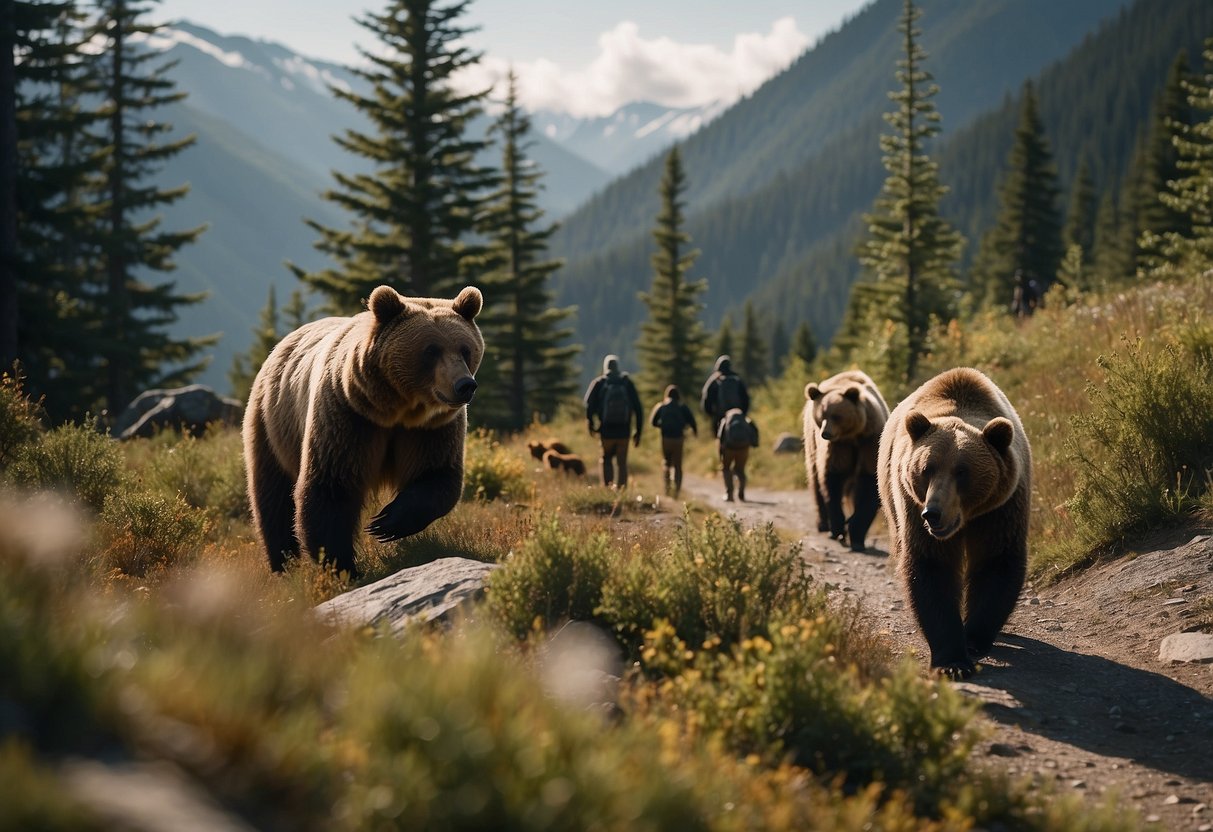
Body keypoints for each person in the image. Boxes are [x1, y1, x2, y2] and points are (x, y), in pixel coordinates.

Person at [583, 354, 643, 488]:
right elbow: (638, 408)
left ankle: (607, 489)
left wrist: (591, 424)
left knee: (606, 459)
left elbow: (588, 406)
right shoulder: (627, 383)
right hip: (624, 431)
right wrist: (638, 432)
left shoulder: (599, 383)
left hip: (606, 431)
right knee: (622, 463)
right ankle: (621, 493)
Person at [649, 384, 698, 498]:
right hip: (678, 439)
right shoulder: (682, 407)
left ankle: (667, 488)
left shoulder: (662, 406)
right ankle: (677, 491)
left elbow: (653, 421)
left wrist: (661, 426)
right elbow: (692, 421)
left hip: (665, 438)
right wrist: (694, 432)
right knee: (678, 465)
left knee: (666, 463)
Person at [717, 407, 759, 502]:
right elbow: (753, 433)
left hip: (729, 448)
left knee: (726, 469)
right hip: (744, 448)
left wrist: (720, 454)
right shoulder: (746, 421)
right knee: (740, 470)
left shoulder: (725, 420)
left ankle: (729, 494)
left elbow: (720, 438)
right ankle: (741, 492)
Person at [701, 354, 750, 434]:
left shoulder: (714, 381)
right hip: (737, 415)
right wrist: (743, 413)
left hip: (720, 416)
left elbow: (706, 399)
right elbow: (746, 399)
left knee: (720, 439)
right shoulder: (737, 380)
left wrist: (711, 414)